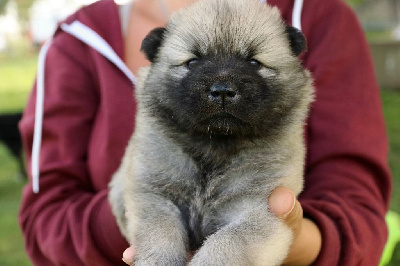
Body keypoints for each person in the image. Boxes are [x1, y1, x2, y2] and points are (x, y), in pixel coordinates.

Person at [18, 0, 392, 265]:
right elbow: (44, 217)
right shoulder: (77, 39)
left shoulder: (321, 17)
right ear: (156, 59)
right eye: (193, 61)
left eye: (254, 61)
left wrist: (292, 240)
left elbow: (360, 218)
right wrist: (133, 210)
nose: (223, 84)